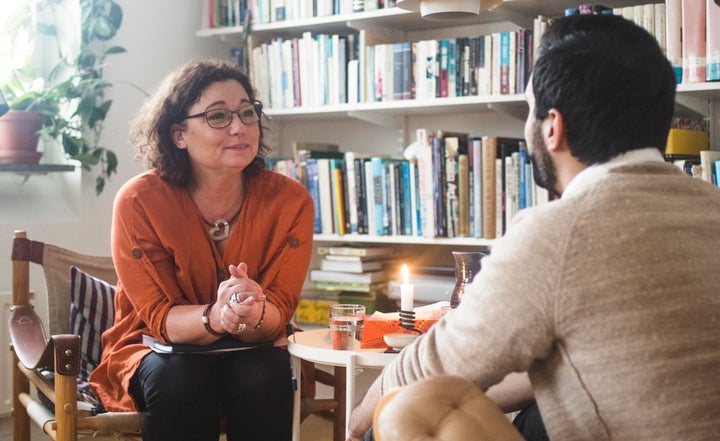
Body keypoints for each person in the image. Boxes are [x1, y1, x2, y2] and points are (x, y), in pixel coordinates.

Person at [348, 14, 720, 441]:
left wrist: (356, 425)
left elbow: (429, 367)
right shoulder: (711, 205)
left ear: (552, 127)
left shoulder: (558, 233)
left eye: (529, 110)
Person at [89, 59, 315, 441]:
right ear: (179, 134)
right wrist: (217, 316)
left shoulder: (291, 201)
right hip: (155, 349)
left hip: (254, 345)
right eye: (218, 116)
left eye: (247, 112)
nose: (240, 127)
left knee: (265, 372)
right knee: (181, 378)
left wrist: (254, 312)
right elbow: (160, 318)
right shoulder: (139, 201)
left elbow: (281, 308)